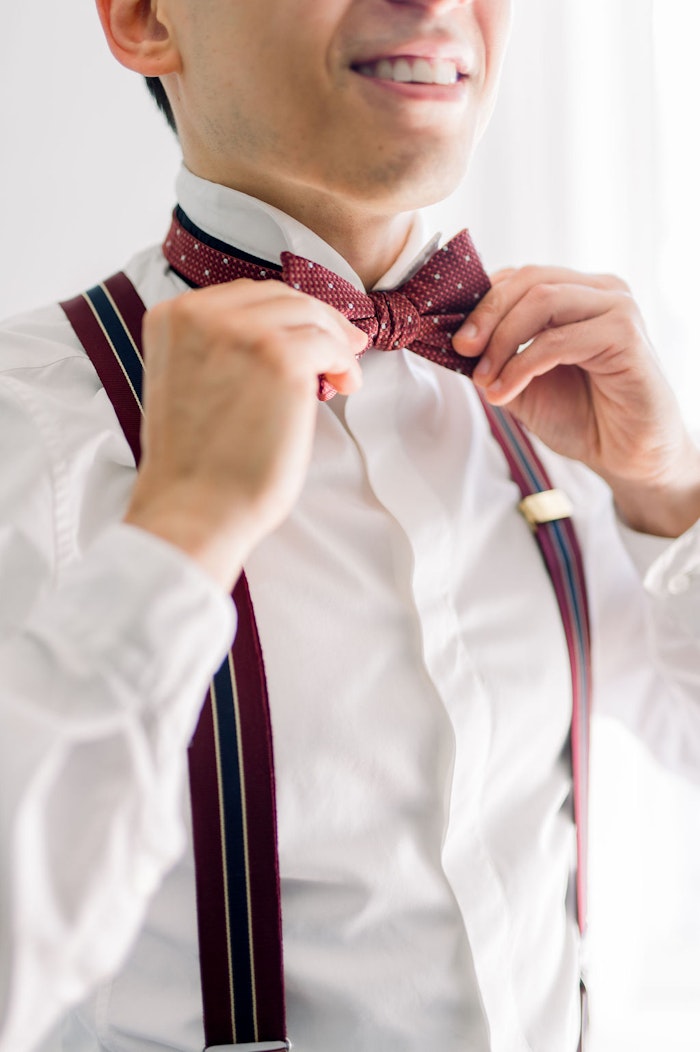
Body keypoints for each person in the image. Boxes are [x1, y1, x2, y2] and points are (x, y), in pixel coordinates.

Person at [1, 1, 699, 1050]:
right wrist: (179, 535)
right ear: (147, 19)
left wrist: (668, 494)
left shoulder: (576, 395)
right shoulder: (24, 427)